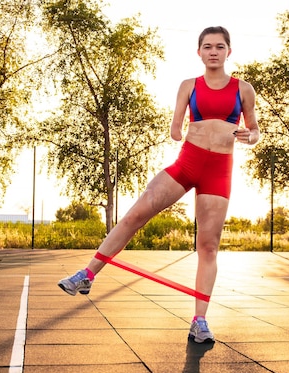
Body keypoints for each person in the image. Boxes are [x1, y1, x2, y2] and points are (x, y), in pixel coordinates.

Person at [58, 26, 260, 343]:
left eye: (219, 47)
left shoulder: (243, 89)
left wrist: (251, 136)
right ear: (199, 52)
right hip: (188, 162)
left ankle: (199, 321)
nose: (213, 52)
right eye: (207, 46)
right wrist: (177, 130)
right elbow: (175, 127)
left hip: (219, 169)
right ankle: (87, 274)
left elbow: (254, 130)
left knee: (208, 246)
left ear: (228, 52)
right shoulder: (188, 86)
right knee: (136, 214)